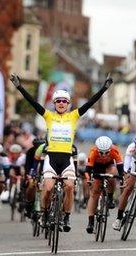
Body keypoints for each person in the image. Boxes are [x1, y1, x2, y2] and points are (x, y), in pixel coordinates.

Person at [10, 73, 112, 232]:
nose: (61, 103)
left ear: (68, 104)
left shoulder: (73, 116)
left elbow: (91, 102)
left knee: (70, 187)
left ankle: (66, 217)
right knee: (48, 188)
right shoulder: (48, 116)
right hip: (51, 157)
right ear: (54, 103)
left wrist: (104, 89)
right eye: (58, 101)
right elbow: (33, 102)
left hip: (66, 158)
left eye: (64, 101)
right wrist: (19, 87)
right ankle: (44, 213)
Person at [85, 136, 124, 234]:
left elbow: (120, 167)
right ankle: (90, 222)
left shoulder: (115, 150)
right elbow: (88, 170)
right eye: (101, 152)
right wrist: (89, 179)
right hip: (96, 167)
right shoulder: (93, 151)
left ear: (110, 149)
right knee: (94, 193)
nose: (103, 155)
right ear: (97, 149)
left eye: (106, 152)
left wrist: (122, 177)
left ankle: (110, 198)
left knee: (112, 175)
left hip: (109, 166)